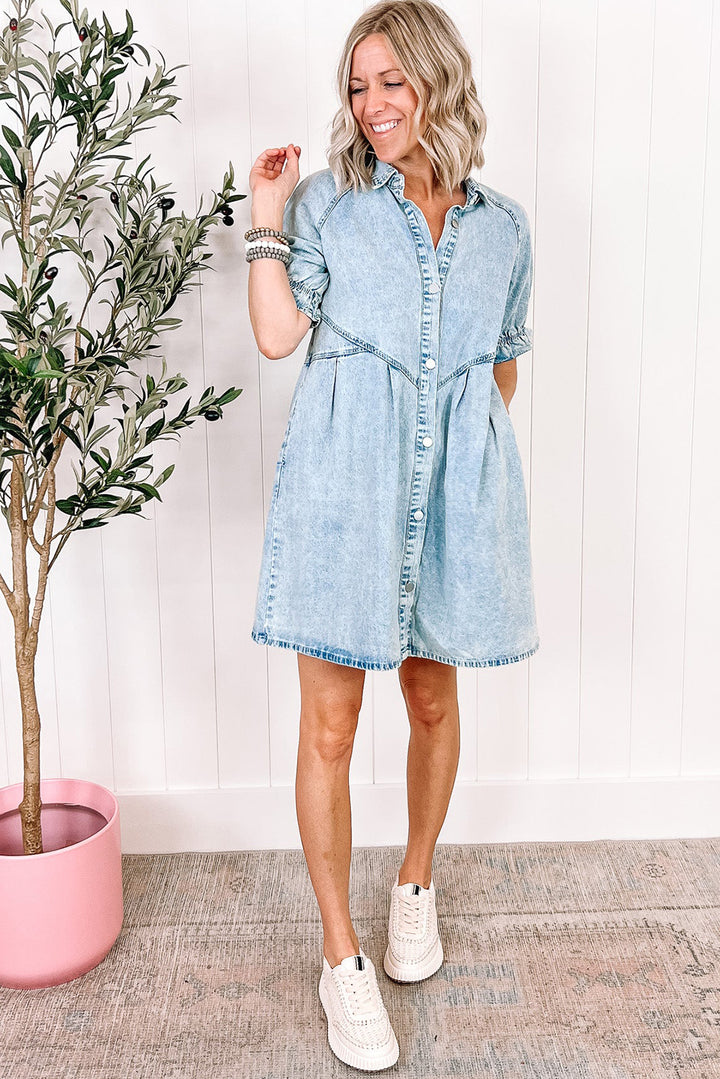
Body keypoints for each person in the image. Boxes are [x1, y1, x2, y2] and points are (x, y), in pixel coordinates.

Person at [246, 0, 539, 1069]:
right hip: (343, 495)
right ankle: (342, 956)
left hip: (447, 501)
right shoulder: (330, 203)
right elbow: (278, 333)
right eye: (358, 85)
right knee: (329, 727)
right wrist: (266, 211)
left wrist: (454, 463)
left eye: (391, 81)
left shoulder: (503, 227)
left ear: (437, 80)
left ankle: (415, 882)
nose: (371, 104)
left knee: (431, 700)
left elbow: (500, 371)